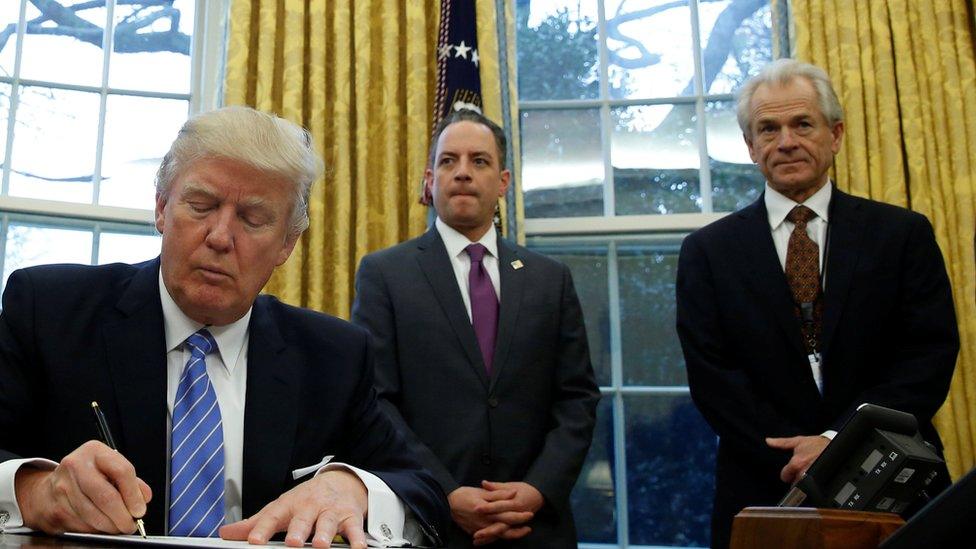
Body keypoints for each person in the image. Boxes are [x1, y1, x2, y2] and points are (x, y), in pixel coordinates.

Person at [0, 106, 449, 548]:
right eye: (200, 206)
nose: (219, 236)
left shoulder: (333, 356)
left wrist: (353, 488)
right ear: (161, 208)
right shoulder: (48, 311)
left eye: (253, 220)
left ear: (287, 244)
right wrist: (35, 492)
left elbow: (422, 492)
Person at [675, 58, 960, 548]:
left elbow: (927, 356)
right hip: (766, 485)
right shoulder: (707, 252)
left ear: (836, 134)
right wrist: (796, 452)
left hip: (891, 479)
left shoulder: (902, 235)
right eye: (768, 128)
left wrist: (834, 442)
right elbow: (713, 376)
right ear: (750, 146)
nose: (786, 141)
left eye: (802, 123)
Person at [351, 109, 600, 548]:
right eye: (449, 161)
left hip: (536, 529)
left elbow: (576, 398)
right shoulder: (385, 274)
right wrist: (444, 493)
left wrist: (538, 489)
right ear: (430, 181)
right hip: (430, 524)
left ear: (503, 182)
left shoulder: (550, 278)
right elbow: (376, 400)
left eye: (479, 161)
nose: (463, 172)